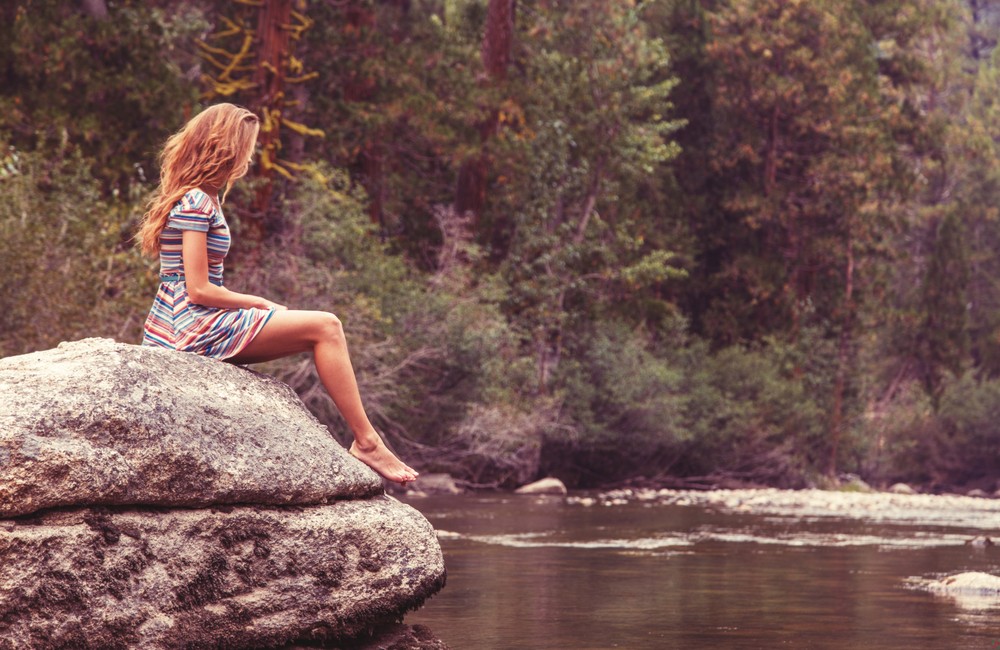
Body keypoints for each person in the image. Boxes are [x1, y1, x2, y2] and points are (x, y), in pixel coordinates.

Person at [136, 103, 418, 484]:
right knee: (327, 327)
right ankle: (367, 442)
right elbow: (198, 289)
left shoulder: (202, 197)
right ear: (225, 147)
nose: (249, 157)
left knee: (320, 329)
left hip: (187, 322)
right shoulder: (197, 201)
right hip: (189, 327)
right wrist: (255, 302)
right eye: (247, 146)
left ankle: (367, 441)